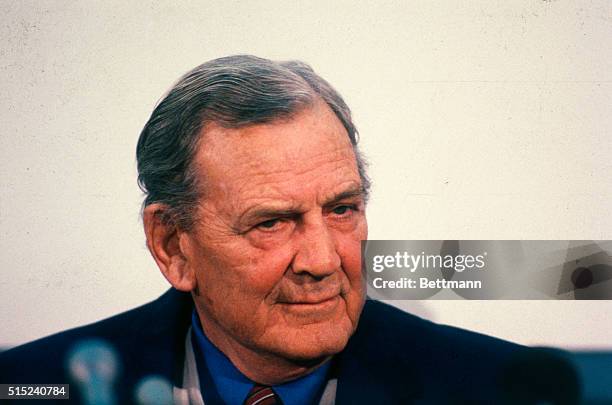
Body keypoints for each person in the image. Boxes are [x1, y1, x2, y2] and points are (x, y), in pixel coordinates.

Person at [0, 55, 579, 404]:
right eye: (272, 222)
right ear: (174, 246)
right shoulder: (34, 385)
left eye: (342, 210)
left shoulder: (502, 389)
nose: (323, 260)